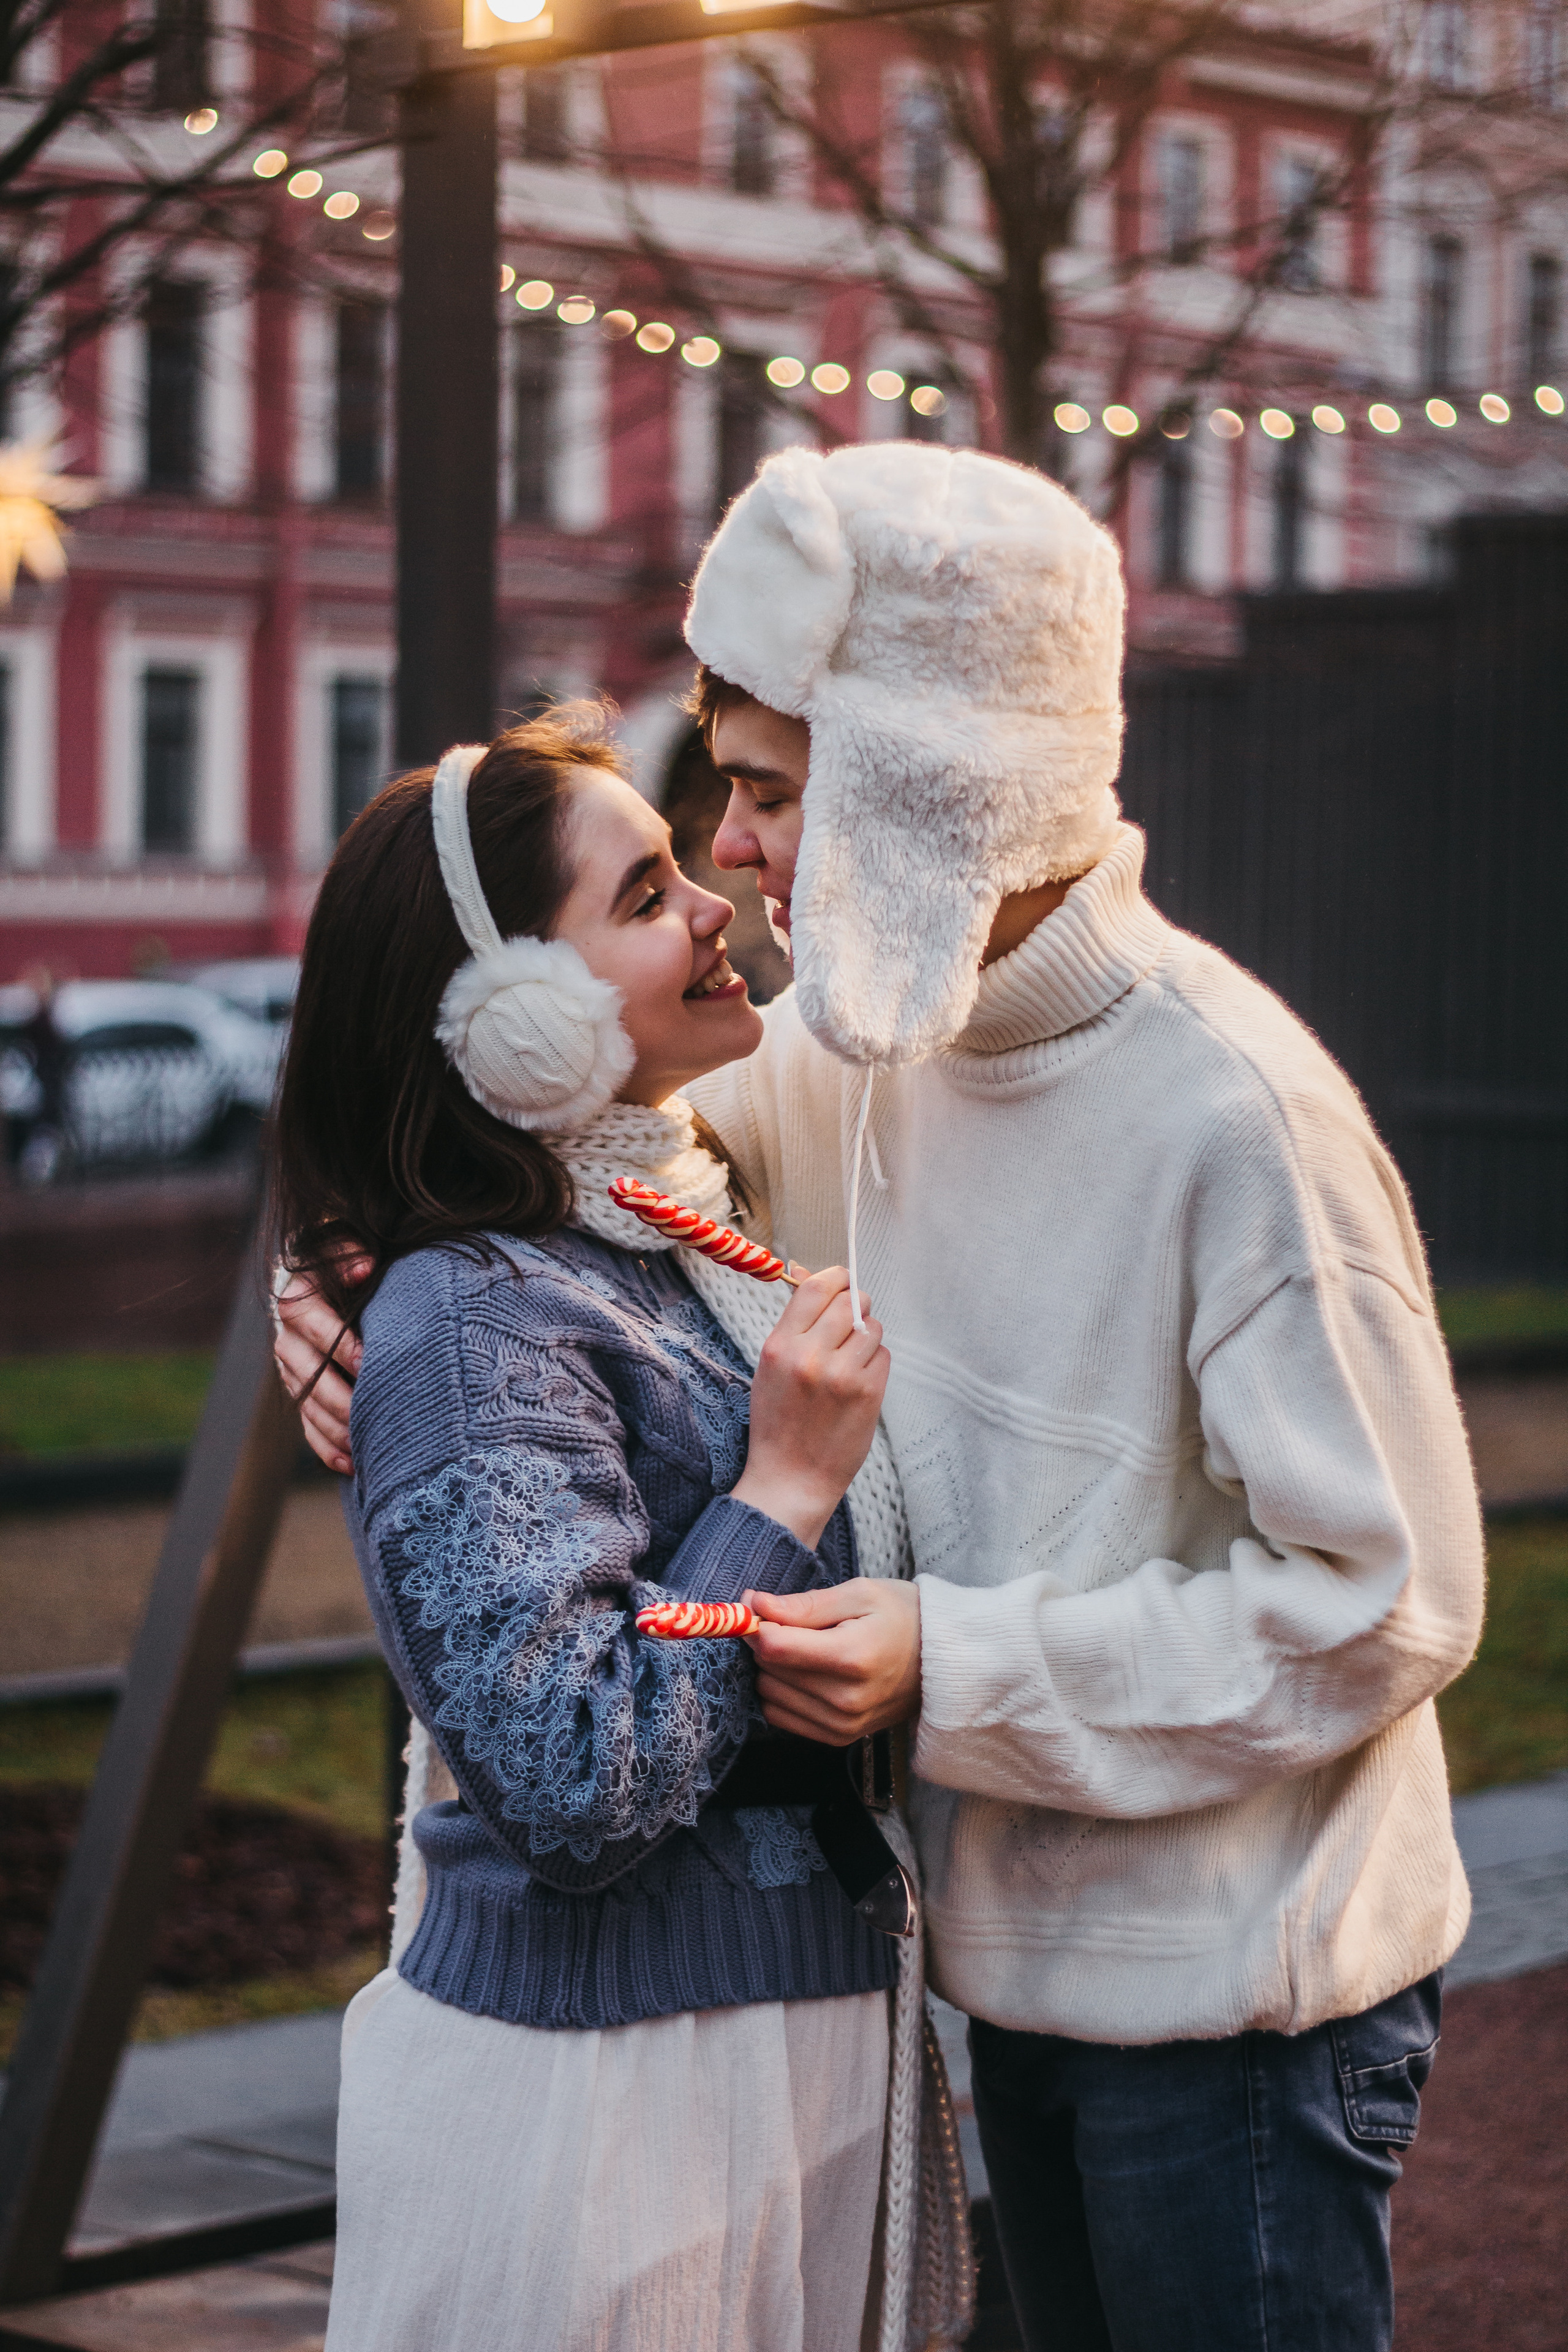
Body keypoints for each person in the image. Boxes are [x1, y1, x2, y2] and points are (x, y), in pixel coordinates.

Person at [281, 444, 1486, 2352]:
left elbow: (1389, 1600)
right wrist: (340, 1265)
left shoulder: (1235, 1120)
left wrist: (958, 1658)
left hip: (1237, 2012)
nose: (735, 850)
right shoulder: (858, 1050)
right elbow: (569, 1149)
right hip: (1001, 1979)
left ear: (931, 783)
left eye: (762, 791)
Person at [268, 705, 971, 2352]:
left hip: (777, 2050)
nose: (712, 901)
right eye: (646, 895)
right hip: (617, 2104)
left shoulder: (675, 1225)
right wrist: (783, 1487)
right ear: (512, 1017)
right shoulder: (468, 1317)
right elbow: (575, 1780)